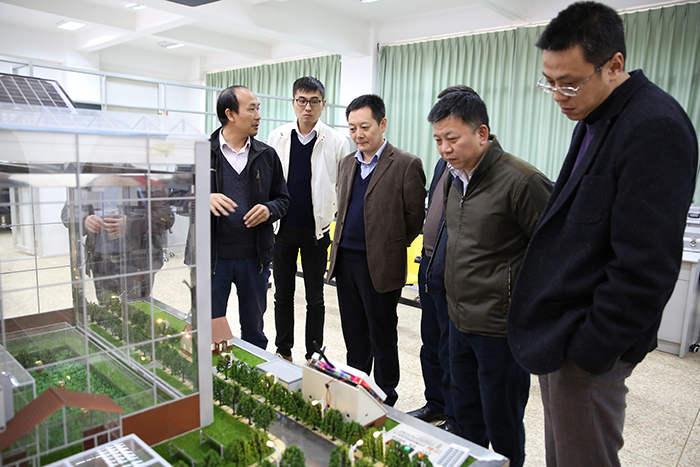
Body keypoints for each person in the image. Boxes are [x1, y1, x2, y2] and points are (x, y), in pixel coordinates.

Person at [507, 3, 698, 467]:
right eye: (549, 82)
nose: (558, 95)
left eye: (569, 82)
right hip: (562, 334)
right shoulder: (596, 114)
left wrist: (590, 351)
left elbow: (646, 267)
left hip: (588, 346)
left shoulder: (654, 126)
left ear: (614, 65)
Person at [428, 90, 552, 466]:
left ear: (482, 133)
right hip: (459, 323)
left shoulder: (523, 181)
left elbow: (553, 255)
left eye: (452, 138)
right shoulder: (452, 179)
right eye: (438, 140)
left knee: (503, 421)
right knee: (465, 416)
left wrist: (528, 315)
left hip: (500, 330)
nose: (444, 149)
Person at [327, 94, 426, 406]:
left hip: (380, 265)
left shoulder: (406, 164)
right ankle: (357, 390)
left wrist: (389, 246)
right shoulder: (347, 163)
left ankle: (385, 397)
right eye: (352, 128)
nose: (358, 134)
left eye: (365, 126)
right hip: (346, 261)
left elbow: (414, 218)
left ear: (382, 124)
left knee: (382, 335)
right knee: (354, 334)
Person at [407, 85, 477, 431]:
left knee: (453, 351)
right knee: (431, 344)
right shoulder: (441, 162)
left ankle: (454, 415)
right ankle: (435, 403)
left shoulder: (478, 166)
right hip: (430, 265)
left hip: (454, 273)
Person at [267, 77, 349, 363]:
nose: (307, 107)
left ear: (323, 104)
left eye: (314, 102)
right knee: (283, 294)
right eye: (302, 101)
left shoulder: (337, 141)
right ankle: (283, 349)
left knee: (316, 297)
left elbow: (343, 186)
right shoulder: (277, 137)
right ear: (293, 102)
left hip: (317, 230)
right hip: (282, 229)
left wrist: (331, 215)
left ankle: (314, 353)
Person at [200, 85, 290, 350]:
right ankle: (212, 373)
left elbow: (283, 200)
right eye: (252, 109)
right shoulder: (200, 153)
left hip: (255, 259)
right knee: (210, 327)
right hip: (212, 259)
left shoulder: (266, 155)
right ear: (230, 114)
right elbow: (177, 196)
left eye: (258, 109)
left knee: (254, 329)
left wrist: (269, 210)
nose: (258, 116)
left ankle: (255, 371)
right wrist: (203, 198)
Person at [61, 166, 174, 303]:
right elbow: (67, 214)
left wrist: (131, 224)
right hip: (101, 261)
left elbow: (166, 218)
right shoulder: (88, 179)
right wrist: (85, 220)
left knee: (137, 307)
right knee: (106, 308)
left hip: (137, 263)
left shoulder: (143, 178)